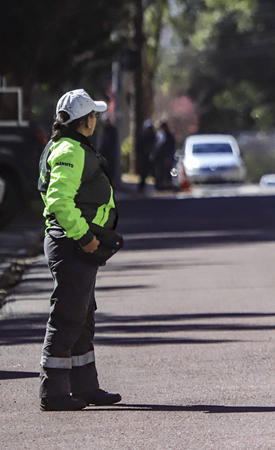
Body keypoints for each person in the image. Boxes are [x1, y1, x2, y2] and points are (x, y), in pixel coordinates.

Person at [37, 89, 123, 411]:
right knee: (68, 316)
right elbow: (60, 201)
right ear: (84, 120)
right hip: (72, 244)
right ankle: (54, 393)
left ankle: (86, 387)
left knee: (83, 317)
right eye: (94, 115)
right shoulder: (70, 150)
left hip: (74, 244)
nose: (97, 120)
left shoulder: (68, 145)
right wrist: (84, 236)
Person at [98, 113, 120, 186]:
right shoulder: (104, 130)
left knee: (110, 174)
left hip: (111, 156)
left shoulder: (112, 130)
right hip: (104, 156)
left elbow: (110, 144)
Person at [153, 120, 176, 191]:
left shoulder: (169, 136)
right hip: (159, 158)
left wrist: (169, 157)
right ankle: (159, 186)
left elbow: (171, 147)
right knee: (159, 172)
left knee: (167, 172)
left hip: (167, 157)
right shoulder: (159, 135)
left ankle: (167, 185)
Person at [136, 120, 156, 192]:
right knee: (143, 173)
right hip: (144, 157)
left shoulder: (153, 136)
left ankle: (157, 186)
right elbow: (138, 147)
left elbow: (155, 145)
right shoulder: (142, 136)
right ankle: (141, 187)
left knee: (154, 172)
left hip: (152, 157)